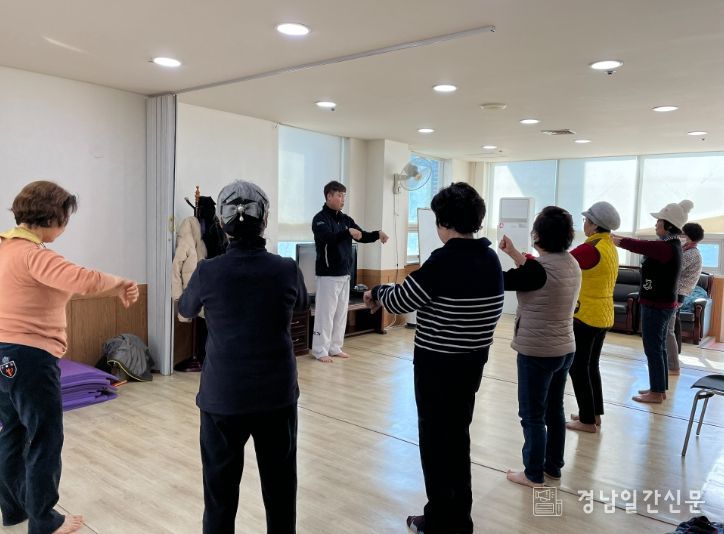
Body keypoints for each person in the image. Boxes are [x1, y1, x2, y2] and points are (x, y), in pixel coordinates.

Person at [364, 183, 504, 534]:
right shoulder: (489, 259)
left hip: (438, 368)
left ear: (444, 223)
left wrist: (377, 291)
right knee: (457, 440)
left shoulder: (443, 261)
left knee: (436, 445)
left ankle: (441, 522)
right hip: (472, 364)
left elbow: (401, 300)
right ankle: (459, 520)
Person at [0, 181, 139, 534]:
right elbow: (83, 279)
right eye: (65, 219)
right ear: (53, 218)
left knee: (12, 432)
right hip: (30, 357)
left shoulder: (4, 248)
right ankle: (45, 521)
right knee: (45, 436)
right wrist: (121, 283)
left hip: (3, 356)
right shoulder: (35, 255)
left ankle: (14, 510)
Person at [178, 180, 308, 534]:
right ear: (264, 220)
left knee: (219, 498)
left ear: (222, 223)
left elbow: (185, 310)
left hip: (223, 397)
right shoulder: (286, 269)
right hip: (276, 397)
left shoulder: (208, 271)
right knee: (280, 492)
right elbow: (300, 305)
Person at [499, 206, 581, 488]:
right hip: (565, 348)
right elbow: (536, 270)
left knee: (532, 414)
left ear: (538, 235)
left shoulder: (538, 270)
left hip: (537, 351)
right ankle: (552, 467)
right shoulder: (571, 263)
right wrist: (514, 253)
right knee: (554, 410)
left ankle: (533, 473)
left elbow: (506, 279)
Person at [612, 200, 692, 403]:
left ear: (668, 225)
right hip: (662, 304)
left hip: (657, 305)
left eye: (659, 221)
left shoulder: (667, 247)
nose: (656, 225)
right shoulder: (672, 245)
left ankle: (656, 392)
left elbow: (639, 246)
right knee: (658, 346)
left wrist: (615, 240)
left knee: (653, 348)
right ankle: (659, 388)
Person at [311, 180, 388, 363]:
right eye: (339, 195)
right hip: (328, 275)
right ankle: (320, 350)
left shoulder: (346, 219)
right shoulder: (320, 219)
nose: (342, 199)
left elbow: (362, 235)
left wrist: (377, 234)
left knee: (340, 313)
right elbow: (329, 238)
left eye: (344, 196)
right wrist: (348, 233)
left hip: (345, 274)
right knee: (325, 314)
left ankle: (335, 347)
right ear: (329, 196)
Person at [567, 202, 620, 433]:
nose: (584, 224)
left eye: (586, 221)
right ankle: (594, 413)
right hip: (604, 315)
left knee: (578, 367)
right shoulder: (609, 246)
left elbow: (559, 264)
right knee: (591, 366)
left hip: (586, 316)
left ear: (595, 224)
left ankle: (587, 421)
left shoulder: (590, 249)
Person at [665, 222, 704, 374]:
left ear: (688, 236)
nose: (680, 236)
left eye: (682, 233)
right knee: (670, 329)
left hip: (677, 294)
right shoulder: (688, 250)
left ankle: (673, 366)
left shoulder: (691, 254)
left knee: (668, 330)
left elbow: (672, 268)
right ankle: (670, 362)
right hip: (676, 293)